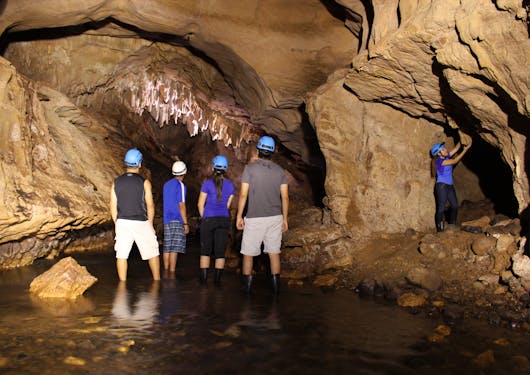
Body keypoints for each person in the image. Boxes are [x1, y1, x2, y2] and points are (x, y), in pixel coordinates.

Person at [236, 135, 289, 295]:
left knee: (248, 253)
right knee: (274, 253)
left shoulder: (250, 169)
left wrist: (239, 216)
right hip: (275, 217)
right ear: (272, 152)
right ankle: (275, 291)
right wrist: (285, 219)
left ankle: (247, 291)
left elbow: (243, 195)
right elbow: (285, 197)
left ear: (259, 150)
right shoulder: (280, 171)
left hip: (255, 217)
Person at [110, 148, 160, 281]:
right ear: (139, 164)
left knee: (121, 255)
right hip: (140, 221)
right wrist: (150, 223)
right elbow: (150, 205)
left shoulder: (116, 182)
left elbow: (113, 205)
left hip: (122, 222)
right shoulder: (144, 182)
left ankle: (122, 285)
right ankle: (156, 282)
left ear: (126, 163)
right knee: (152, 252)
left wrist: (117, 222)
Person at [197, 155, 235, 286]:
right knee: (220, 252)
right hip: (223, 219)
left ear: (213, 168)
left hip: (209, 219)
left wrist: (205, 217)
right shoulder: (230, 186)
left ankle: (203, 282)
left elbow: (200, 204)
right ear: (225, 169)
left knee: (205, 251)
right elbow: (228, 206)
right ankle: (217, 282)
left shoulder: (207, 184)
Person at [430, 131, 472, 232]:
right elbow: (455, 161)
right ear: (439, 153)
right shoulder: (440, 161)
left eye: (444, 148)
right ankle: (440, 230)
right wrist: (465, 150)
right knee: (441, 208)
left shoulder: (446, 156)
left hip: (449, 186)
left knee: (454, 205)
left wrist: (461, 138)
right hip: (442, 187)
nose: (445, 150)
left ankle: (452, 224)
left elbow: (457, 148)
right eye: (443, 149)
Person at [162, 160, 189, 277]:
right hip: (177, 220)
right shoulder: (181, 186)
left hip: (167, 220)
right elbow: (181, 205)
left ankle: (165, 272)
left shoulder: (166, 184)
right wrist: (185, 223)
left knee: (167, 247)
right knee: (174, 248)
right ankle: (171, 274)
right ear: (184, 172)